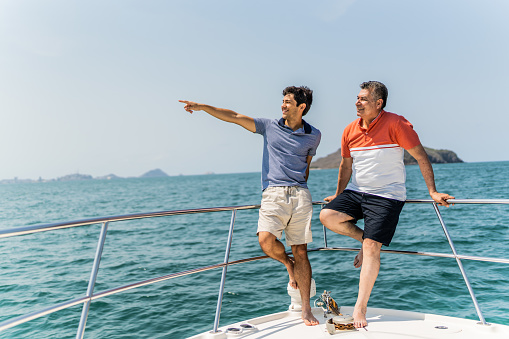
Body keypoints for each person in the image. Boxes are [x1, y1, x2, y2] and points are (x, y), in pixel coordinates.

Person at [179, 86, 321, 326]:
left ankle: (306, 308)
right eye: (282, 101)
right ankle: (288, 264)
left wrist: (299, 190)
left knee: (301, 251)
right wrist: (203, 107)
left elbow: (306, 166)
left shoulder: (314, 134)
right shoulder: (269, 126)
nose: (282, 105)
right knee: (265, 240)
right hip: (273, 193)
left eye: (287, 102)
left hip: (300, 195)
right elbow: (234, 117)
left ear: (301, 107)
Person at [319, 81, 454, 329]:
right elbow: (346, 166)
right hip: (357, 191)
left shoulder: (396, 124)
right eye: (357, 98)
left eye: (363, 99)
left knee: (372, 247)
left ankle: (360, 307)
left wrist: (432, 191)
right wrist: (338, 196)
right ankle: (364, 239)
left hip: (387, 196)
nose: (357, 102)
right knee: (327, 216)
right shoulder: (350, 130)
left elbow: (421, 156)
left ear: (378, 103)